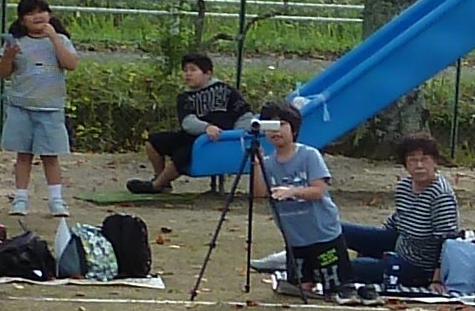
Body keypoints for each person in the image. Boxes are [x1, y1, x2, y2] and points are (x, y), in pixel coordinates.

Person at [339, 131, 462, 288]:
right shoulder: (404, 186)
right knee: (337, 229)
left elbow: (446, 241)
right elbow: (397, 220)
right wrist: (372, 245)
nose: (419, 166)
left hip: (420, 265)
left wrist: (436, 279)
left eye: (424, 160)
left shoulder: (441, 194)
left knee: (353, 267)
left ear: (435, 162)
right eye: (413, 160)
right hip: (400, 242)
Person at [0, 0, 78, 221]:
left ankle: (56, 199)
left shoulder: (60, 39)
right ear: (22, 20)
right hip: (21, 106)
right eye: (30, 13)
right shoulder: (16, 41)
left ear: (50, 15)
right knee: (23, 155)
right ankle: (20, 198)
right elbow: (3, 73)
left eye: (41, 11)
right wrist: (8, 57)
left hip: (51, 108)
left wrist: (55, 39)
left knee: (51, 156)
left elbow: (70, 64)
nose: (37, 16)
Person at [253, 101, 345, 291]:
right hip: (294, 238)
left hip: (323, 233)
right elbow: (259, 194)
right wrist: (256, 164)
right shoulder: (268, 163)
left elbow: (318, 190)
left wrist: (292, 191)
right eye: (270, 126)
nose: (276, 131)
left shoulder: (309, 155)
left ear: (294, 129)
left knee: (335, 286)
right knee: (300, 286)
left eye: (282, 125)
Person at [134, 50, 254, 194]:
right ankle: (161, 180)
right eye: (185, 71)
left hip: (220, 140)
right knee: (153, 141)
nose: (188, 74)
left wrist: (234, 135)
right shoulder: (185, 97)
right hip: (194, 135)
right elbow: (187, 121)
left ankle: (157, 185)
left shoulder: (226, 91)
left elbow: (245, 114)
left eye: (193, 70)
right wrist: (206, 127)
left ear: (207, 73)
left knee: (183, 154)